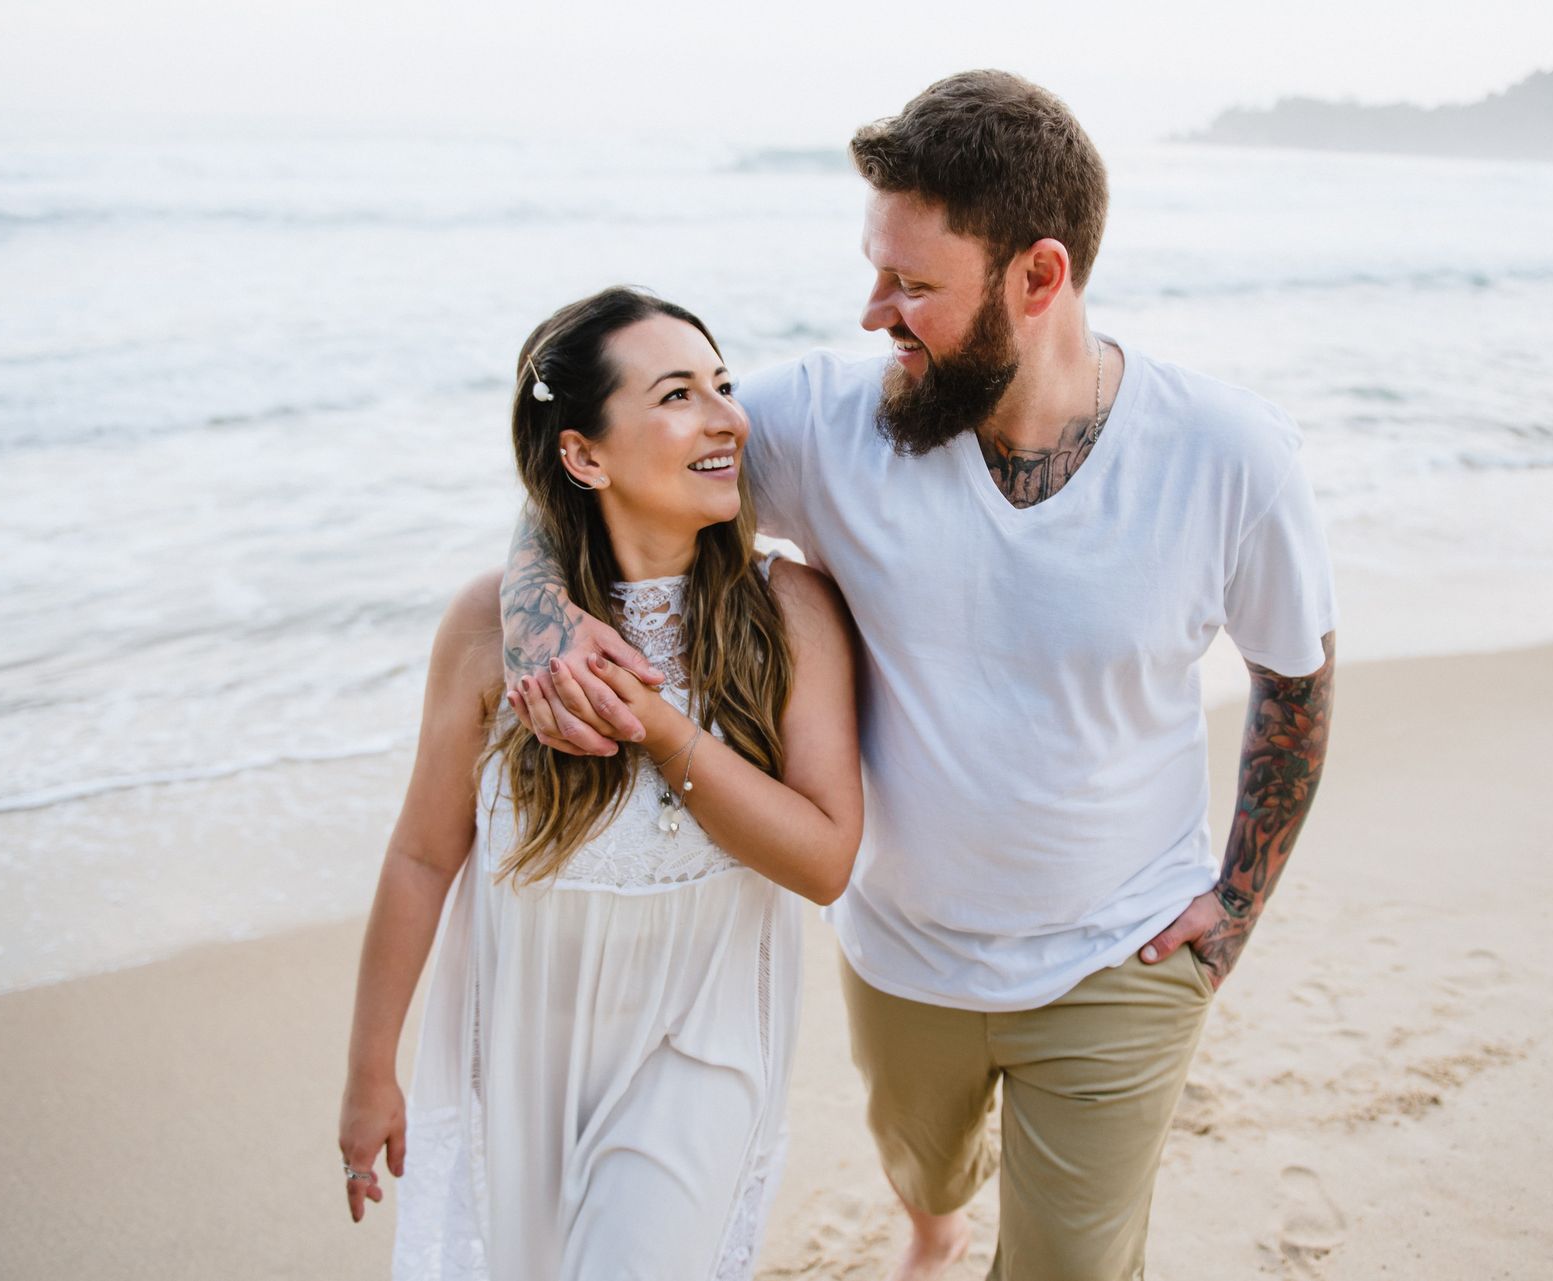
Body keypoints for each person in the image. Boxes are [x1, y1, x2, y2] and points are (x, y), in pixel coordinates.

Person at [508, 71, 1338, 1281]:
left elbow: (1296, 681)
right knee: (927, 1168)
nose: (873, 313)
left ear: (1038, 278)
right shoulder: (827, 423)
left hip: (1124, 951)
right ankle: (934, 1225)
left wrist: (1237, 909)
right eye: (874, 270)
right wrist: (535, 621)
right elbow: (595, 473)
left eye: (912, 285)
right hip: (901, 952)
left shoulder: (1229, 456)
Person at [337, 286, 863, 1281]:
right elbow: (422, 856)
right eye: (677, 394)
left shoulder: (787, 610)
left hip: (701, 1036)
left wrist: (658, 727)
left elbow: (826, 860)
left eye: (722, 385)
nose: (726, 417)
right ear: (583, 455)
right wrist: (370, 1072)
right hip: (528, 1042)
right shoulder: (492, 626)